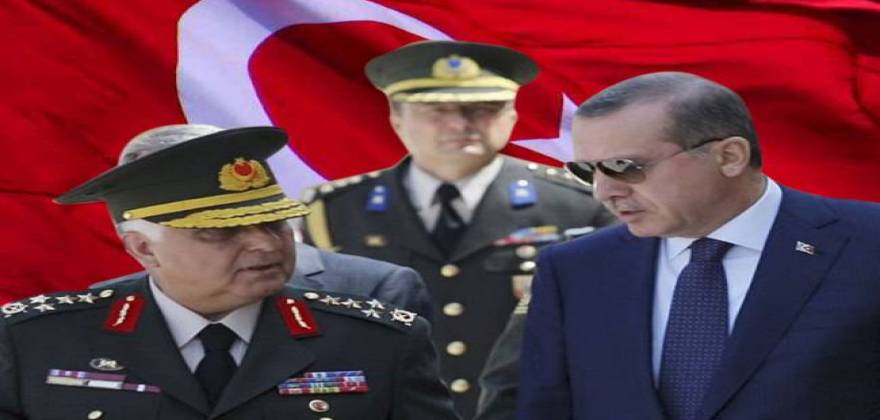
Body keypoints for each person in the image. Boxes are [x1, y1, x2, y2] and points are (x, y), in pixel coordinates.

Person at [0, 125, 460, 419]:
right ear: (143, 248)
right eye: (220, 231)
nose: (264, 244)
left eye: (274, 223)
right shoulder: (36, 340)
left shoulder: (380, 342)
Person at [516, 71, 880, 420]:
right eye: (586, 171)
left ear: (729, 156)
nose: (604, 191)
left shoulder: (866, 243)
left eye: (623, 165)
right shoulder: (576, 269)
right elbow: (540, 406)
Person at [300, 40, 615, 418]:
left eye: (482, 108)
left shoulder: (581, 204)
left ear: (511, 115)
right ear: (396, 117)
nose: (459, 124)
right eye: (435, 110)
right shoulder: (331, 210)